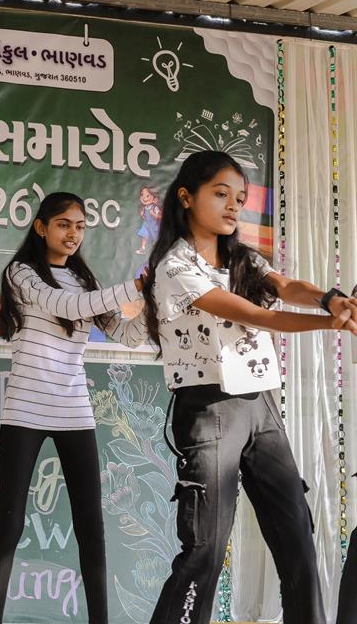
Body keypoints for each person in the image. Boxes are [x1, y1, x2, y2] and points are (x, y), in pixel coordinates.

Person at [141, 150, 357, 624]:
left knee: (297, 535)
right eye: (221, 194)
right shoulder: (174, 268)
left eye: (240, 199)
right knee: (205, 549)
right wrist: (330, 322)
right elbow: (258, 316)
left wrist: (329, 298)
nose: (233, 206)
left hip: (261, 405)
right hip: (209, 409)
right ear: (186, 197)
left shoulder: (243, 259)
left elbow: (286, 287)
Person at [0, 192, 147, 624]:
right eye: (63, 224)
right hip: (25, 409)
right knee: (9, 525)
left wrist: (155, 301)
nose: (73, 233)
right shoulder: (21, 272)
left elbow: (129, 336)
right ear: (41, 227)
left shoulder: (86, 282)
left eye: (80, 226)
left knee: (91, 527)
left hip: (74, 410)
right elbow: (66, 306)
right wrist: (135, 286)